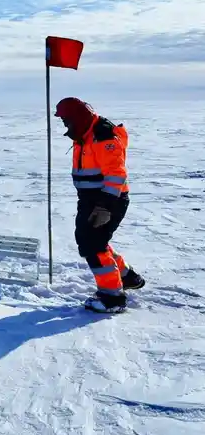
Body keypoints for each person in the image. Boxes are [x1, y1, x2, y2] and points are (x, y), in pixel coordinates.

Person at [54, 97, 145, 313]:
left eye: (66, 120)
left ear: (78, 118)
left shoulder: (103, 136)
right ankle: (127, 277)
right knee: (93, 241)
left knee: (92, 245)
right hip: (90, 199)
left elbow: (116, 174)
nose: (65, 124)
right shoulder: (84, 133)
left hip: (107, 200)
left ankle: (111, 297)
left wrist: (104, 207)